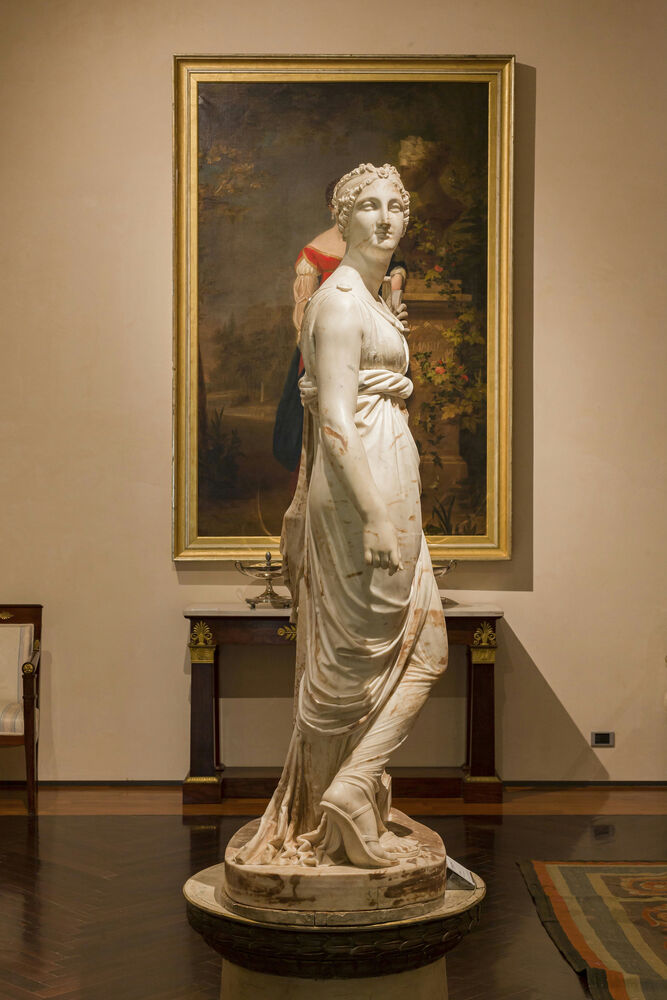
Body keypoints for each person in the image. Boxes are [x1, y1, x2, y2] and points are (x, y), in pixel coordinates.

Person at [237, 163, 447, 869]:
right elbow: (333, 417)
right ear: (342, 218)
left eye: (396, 206)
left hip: (387, 478)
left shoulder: (374, 301)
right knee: (358, 664)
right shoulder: (339, 302)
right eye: (368, 206)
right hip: (362, 490)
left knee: (424, 648)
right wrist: (376, 517)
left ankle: (354, 787)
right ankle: (337, 803)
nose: (385, 218)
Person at [273, 180, 408, 472]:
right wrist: (312, 344)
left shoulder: (370, 243)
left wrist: (392, 295)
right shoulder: (316, 251)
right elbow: (304, 305)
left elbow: (391, 272)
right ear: (333, 208)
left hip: (371, 336)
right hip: (328, 337)